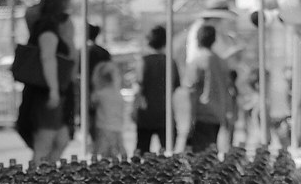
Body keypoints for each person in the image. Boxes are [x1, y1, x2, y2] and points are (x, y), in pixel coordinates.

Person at [16, 0, 76, 163]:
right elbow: (48, 58)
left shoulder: (52, 28)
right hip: (46, 92)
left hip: (55, 91)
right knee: (45, 141)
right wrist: (54, 90)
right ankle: (37, 181)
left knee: (61, 138)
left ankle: (48, 174)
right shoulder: (47, 28)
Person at [183, 23, 230, 154]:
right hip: (218, 112)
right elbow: (227, 87)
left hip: (202, 113)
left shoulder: (196, 61)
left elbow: (191, 89)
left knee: (200, 157)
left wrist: (190, 117)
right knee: (212, 153)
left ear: (197, 39)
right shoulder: (221, 61)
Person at [133, 25, 179, 155]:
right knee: (168, 154)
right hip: (165, 113)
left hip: (145, 113)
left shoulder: (143, 61)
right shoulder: (170, 62)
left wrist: (134, 109)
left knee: (141, 154)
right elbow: (175, 88)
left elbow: (138, 87)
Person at [90, 60, 126, 159]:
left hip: (104, 126)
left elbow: (92, 104)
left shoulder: (99, 94)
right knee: (119, 152)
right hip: (117, 125)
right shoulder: (117, 94)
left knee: (103, 153)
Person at [84, 23, 111, 144]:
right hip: (105, 90)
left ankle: (97, 144)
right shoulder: (103, 52)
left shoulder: (85, 52)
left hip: (89, 90)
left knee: (91, 119)